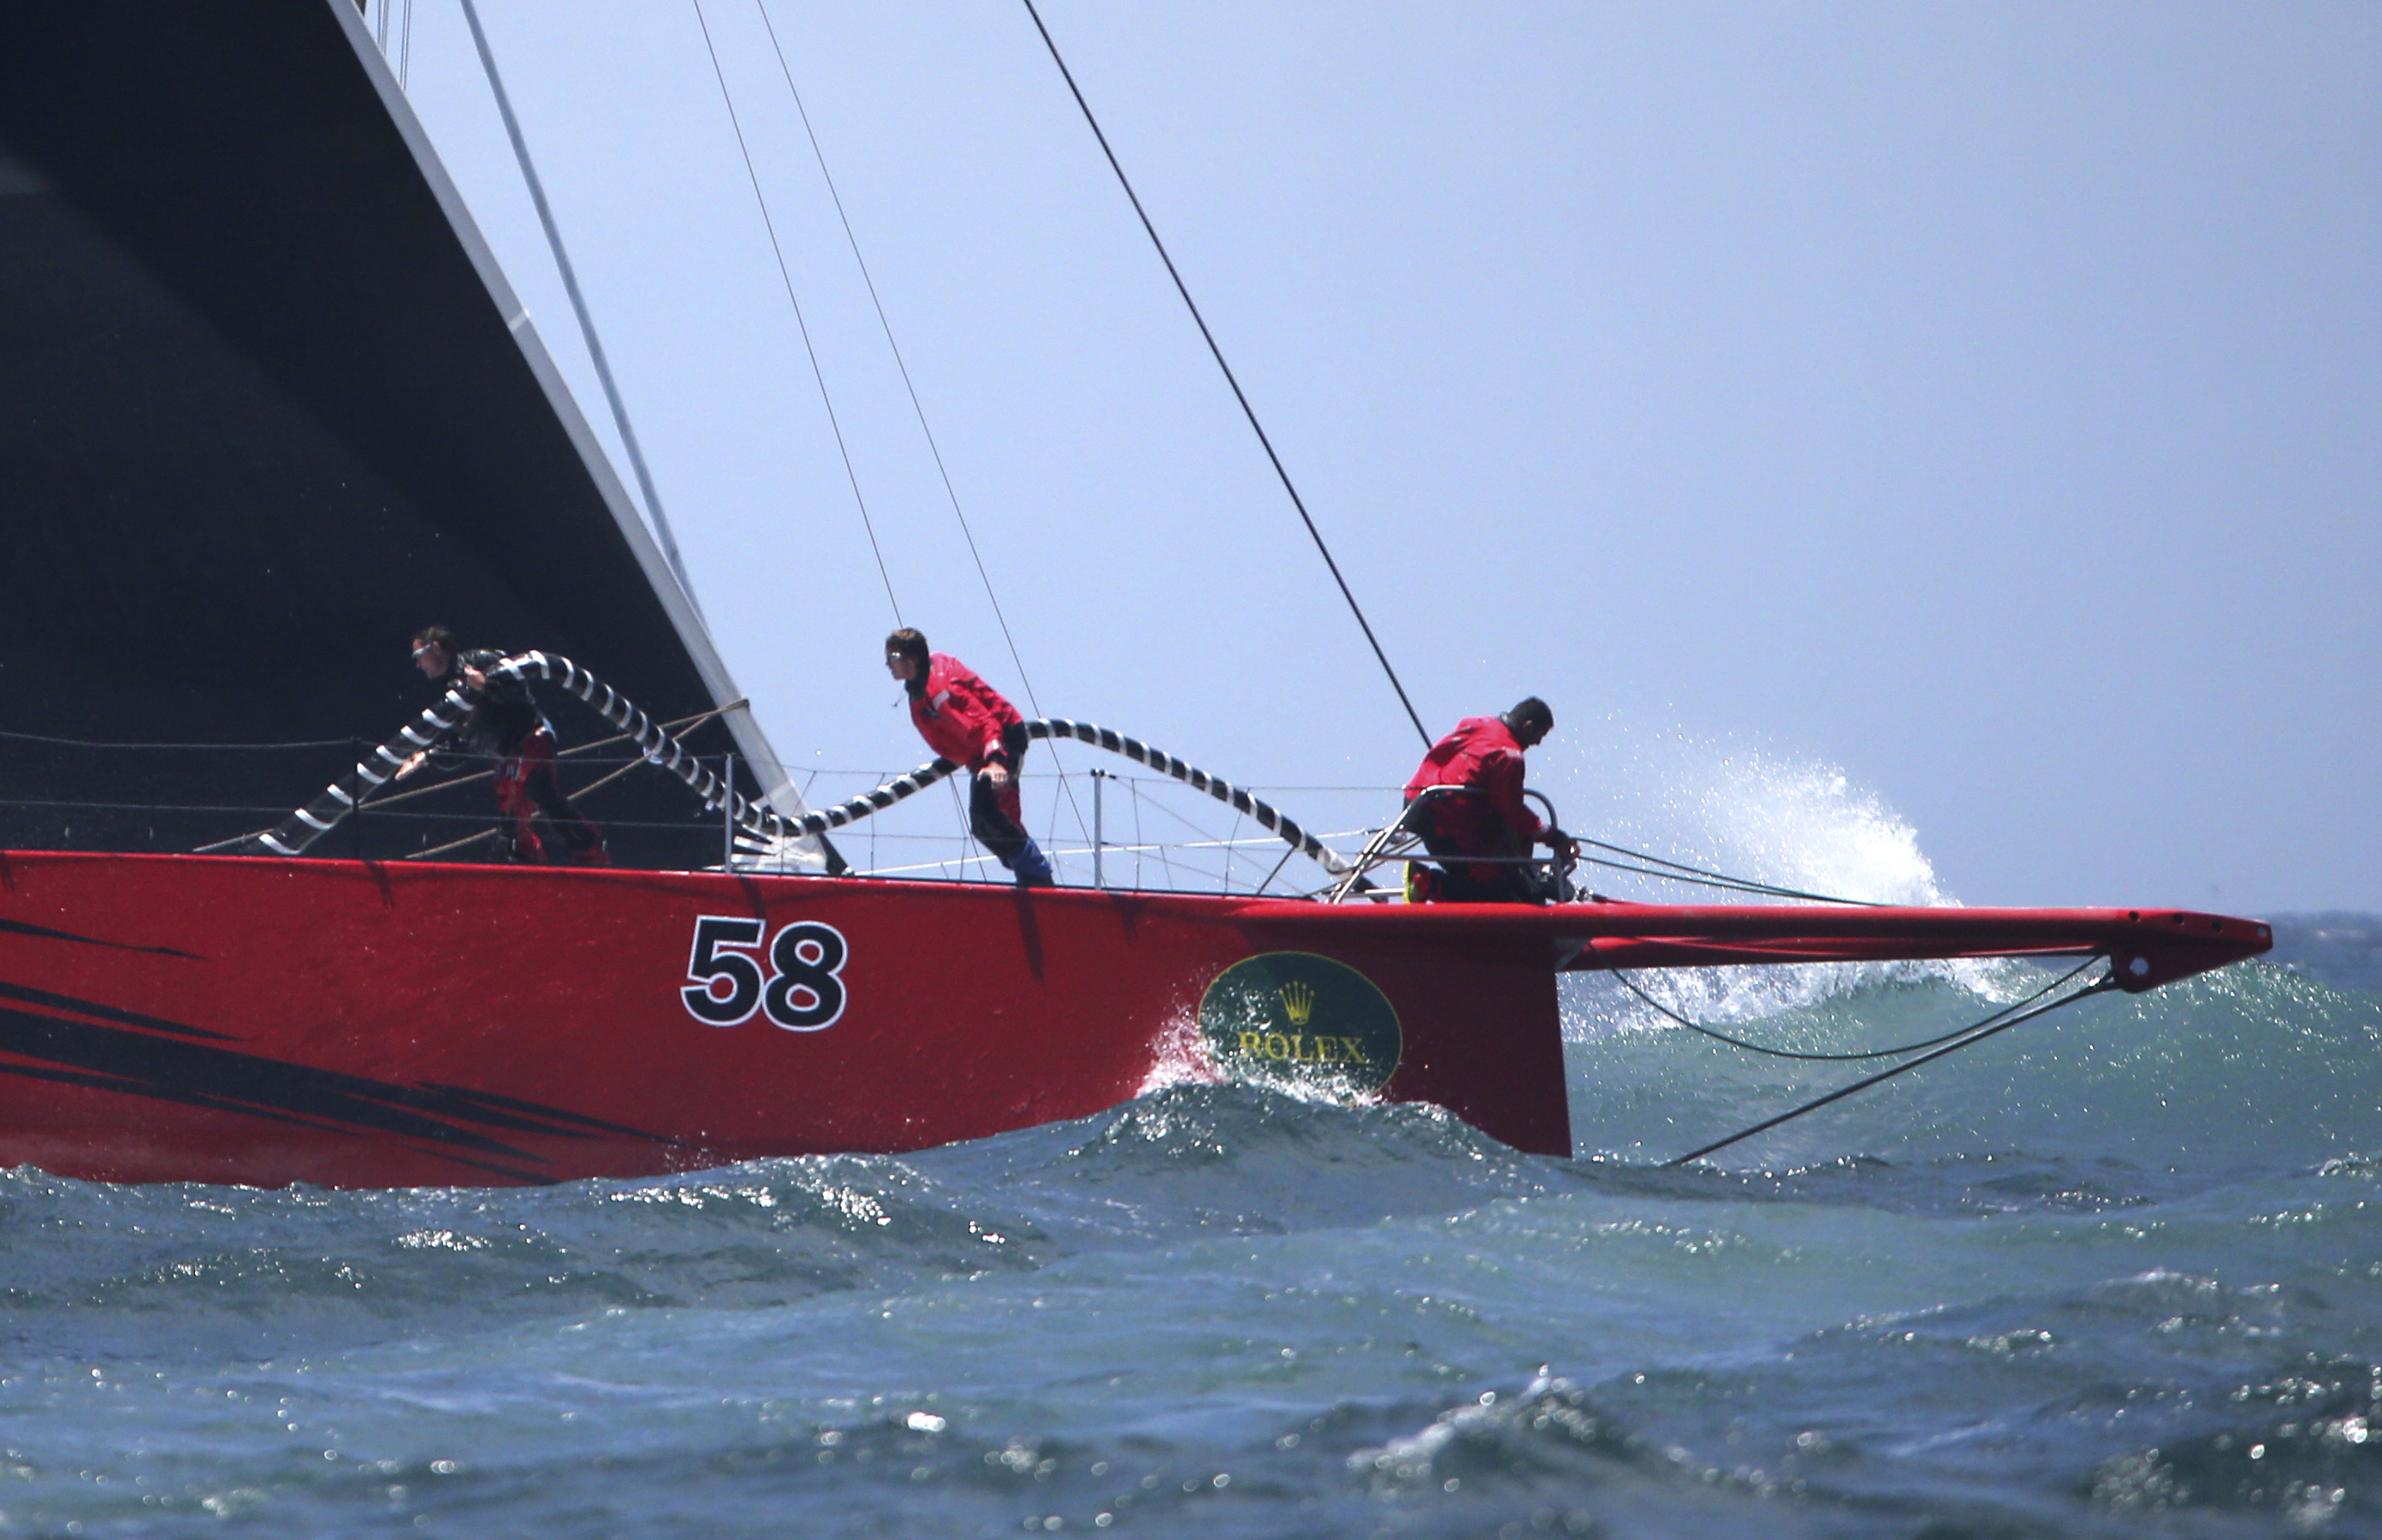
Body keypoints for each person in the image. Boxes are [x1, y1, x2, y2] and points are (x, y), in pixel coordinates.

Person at [396, 625, 607, 866]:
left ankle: (593, 856)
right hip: (506, 754)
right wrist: (428, 756)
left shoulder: (480, 660)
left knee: (542, 793)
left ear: (434, 648)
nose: (418, 665)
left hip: (529, 736)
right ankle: (529, 869)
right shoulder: (451, 693)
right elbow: (462, 745)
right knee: (511, 824)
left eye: (418, 656)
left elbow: (520, 691)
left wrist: (486, 686)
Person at [885, 629, 1055, 887]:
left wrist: (997, 760)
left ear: (913, 658)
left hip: (999, 742)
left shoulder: (940, 692)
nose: (888, 663)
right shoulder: (922, 685)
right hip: (980, 755)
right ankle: (1028, 872)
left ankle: (1037, 876)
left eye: (893, 656)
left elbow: (983, 722)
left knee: (987, 814)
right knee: (987, 822)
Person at [1401, 696, 1573, 903]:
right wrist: (1554, 837)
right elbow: (1512, 810)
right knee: (1501, 892)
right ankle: (1425, 882)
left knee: (1493, 859)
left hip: (1416, 803)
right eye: (1540, 735)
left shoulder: (1479, 724)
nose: (1537, 743)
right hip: (1443, 821)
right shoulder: (1509, 756)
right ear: (1527, 726)